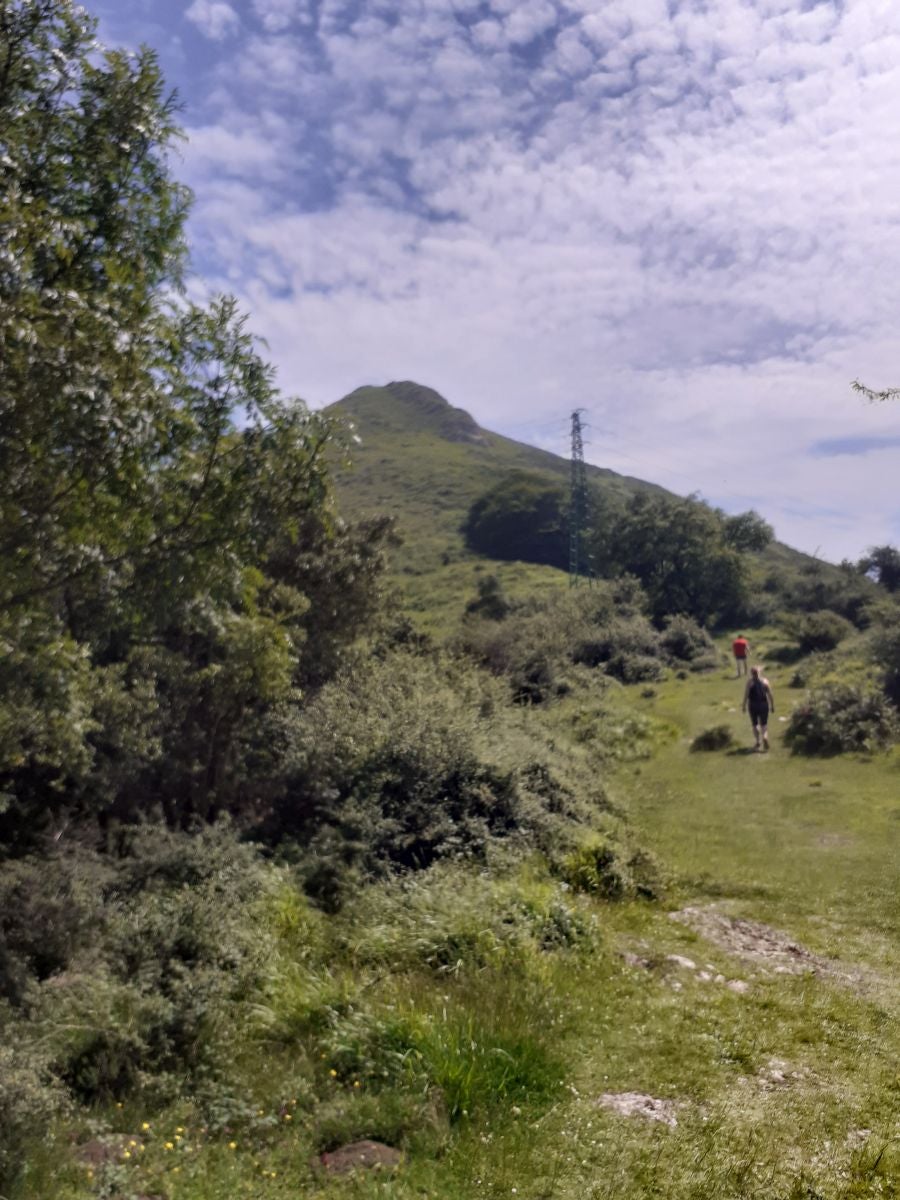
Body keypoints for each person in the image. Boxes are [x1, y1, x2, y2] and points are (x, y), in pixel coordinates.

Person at [742, 665, 775, 751]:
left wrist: (743, 706)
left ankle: (758, 741)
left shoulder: (750, 683)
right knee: (764, 724)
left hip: (753, 705)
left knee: (755, 724)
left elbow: (746, 695)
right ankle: (765, 737)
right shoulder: (765, 681)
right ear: (759, 673)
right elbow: (770, 695)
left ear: (751, 674)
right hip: (764, 704)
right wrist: (772, 705)